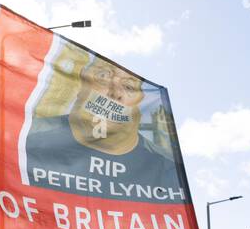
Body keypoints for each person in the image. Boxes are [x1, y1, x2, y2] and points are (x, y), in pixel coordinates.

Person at [23, 56, 182, 200]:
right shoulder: (25, 140)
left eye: (129, 87)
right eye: (103, 76)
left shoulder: (168, 170)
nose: (115, 93)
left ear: (140, 102)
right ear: (81, 83)